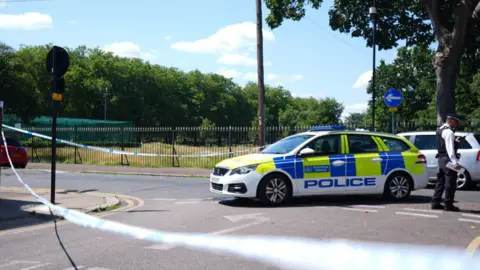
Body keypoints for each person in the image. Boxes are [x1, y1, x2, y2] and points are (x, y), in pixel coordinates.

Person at [431, 114, 464, 212]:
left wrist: (456, 141)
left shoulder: (440, 129)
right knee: (451, 182)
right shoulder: (449, 132)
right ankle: (448, 205)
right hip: (447, 159)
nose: (456, 125)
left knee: (440, 181)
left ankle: (435, 202)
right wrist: (455, 162)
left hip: (441, 159)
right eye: (456, 122)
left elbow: (444, 144)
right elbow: (450, 149)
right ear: (452, 121)